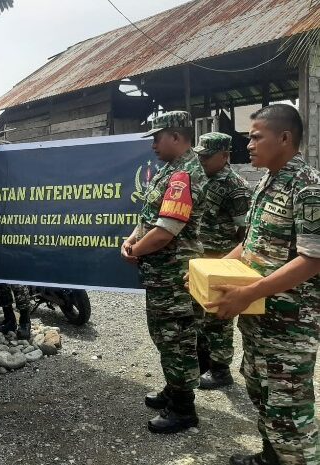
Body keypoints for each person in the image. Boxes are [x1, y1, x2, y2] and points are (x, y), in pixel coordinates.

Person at [204, 105, 319, 465]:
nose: (248, 145)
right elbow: (252, 242)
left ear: (284, 138)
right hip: (259, 318)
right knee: (259, 388)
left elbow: (313, 259)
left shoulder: (308, 188)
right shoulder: (267, 181)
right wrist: (214, 267)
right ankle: (272, 457)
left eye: (256, 137)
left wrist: (249, 293)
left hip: (290, 324)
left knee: (290, 409)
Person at [120, 111, 208, 434]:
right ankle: (174, 387)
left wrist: (135, 250)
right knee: (163, 335)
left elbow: (166, 231)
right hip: (161, 275)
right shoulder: (169, 171)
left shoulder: (184, 175)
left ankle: (184, 410)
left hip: (174, 277)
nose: (153, 144)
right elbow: (148, 219)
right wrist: (132, 240)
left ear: (176, 136)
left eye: (158, 137)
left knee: (177, 339)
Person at [192, 132, 251, 390]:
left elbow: (245, 233)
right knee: (199, 315)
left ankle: (220, 370)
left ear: (225, 156)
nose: (202, 160)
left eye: (207, 156)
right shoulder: (203, 179)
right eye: (200, 156)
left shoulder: (236, 187)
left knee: (218, 318)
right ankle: (203, 362)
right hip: (201, 259)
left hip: (222, 261)